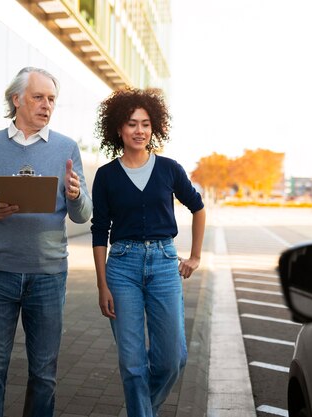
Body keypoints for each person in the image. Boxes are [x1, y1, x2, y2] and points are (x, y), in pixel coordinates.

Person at [0, 67, 92, 417]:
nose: (46, 105)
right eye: (38, 97)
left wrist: (76, 195)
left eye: (51, 99)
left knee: (44, 375)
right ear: (16, 99)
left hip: (48, 276)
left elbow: (83, 215)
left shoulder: (66, 147)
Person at [90, 87, 206, 417]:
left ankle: (141, 411)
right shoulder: (106, 176)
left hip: (164, 265)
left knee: (173, 359)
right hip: (122, 268)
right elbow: (100, 232)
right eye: (131, 124)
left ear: (154, 127)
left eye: (145, 124)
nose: (139, 131)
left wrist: (195, 257)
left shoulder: (169, 169)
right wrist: (102, 285)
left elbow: (198, 208)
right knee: (132, 364)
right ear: (118, 129)